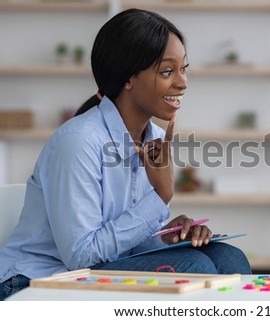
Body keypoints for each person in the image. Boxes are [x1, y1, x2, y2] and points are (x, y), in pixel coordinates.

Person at [0, 8, 251, 301]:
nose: (182, 83)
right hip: (31, 283)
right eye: (168, 71)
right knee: (192, 267)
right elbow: (82, 256)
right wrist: (160, 197)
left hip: (91, 272)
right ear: (129, 78)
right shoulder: (78, 141)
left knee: (227, 259)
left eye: (184, 69)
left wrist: (166, 237)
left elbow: (125, 246)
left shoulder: (154, 140)